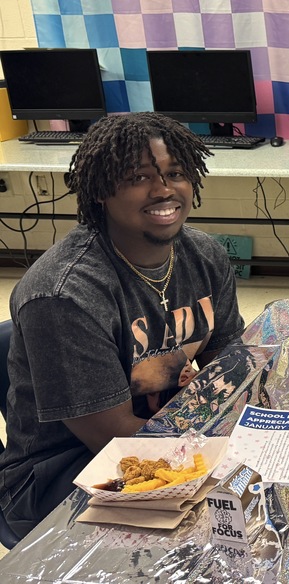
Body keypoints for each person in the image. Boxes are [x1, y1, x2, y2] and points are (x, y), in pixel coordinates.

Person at [0, 113, 245, 538]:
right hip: (63, 475)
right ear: (100, 192)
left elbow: (231, 369)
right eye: (138, 177)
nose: (164, 190)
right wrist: (228, 456)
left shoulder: (204, 256)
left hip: (169, 437)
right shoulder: (64, 295)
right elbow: (113, 441)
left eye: (175, 173)